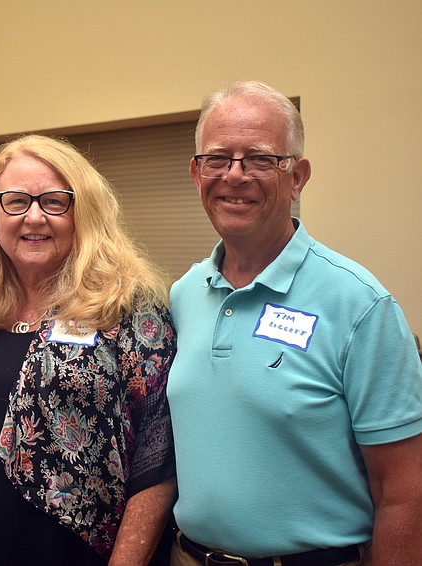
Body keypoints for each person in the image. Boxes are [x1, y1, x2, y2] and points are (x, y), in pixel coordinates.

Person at [167, 80, 422, 566]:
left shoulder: (360, 305)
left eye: (260, 159)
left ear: (298, 176)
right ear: (197, 173)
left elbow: (404, 492)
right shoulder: (184, 294)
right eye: (218, 159)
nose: (235, 176)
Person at [0, 134, 176, 566]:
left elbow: (158, 452)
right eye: (15, 201)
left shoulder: (127, 305)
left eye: (54, 201)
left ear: (81, 212)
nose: (34, 217)